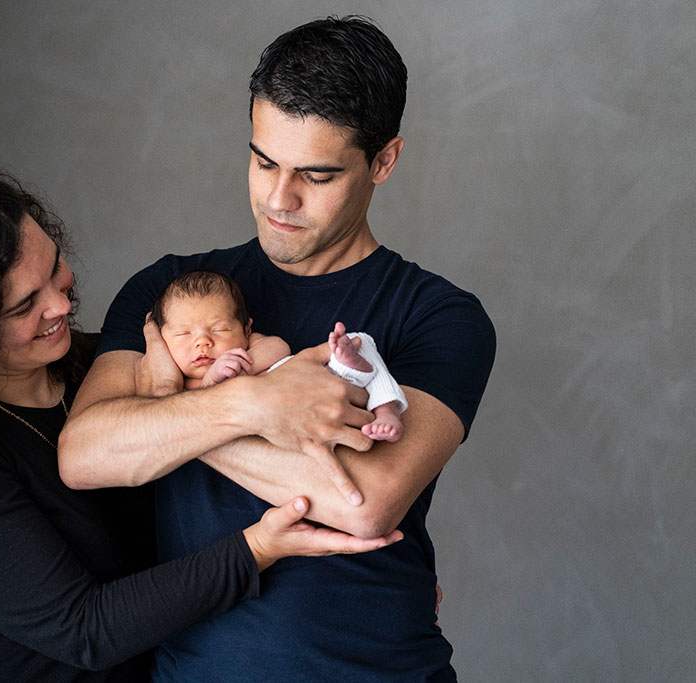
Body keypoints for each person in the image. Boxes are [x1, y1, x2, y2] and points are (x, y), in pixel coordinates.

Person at [59, 15, 496, 681]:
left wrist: (186, 406)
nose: (279, 198)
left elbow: (367, 502)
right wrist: (257, 405)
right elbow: (86, 451)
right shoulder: (172, 295)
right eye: (264, 161)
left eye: (315, 175)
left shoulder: (441, 316)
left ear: (384, 160)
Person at [0, 169, 401, 682]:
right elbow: (84, 629)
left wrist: (362, 595)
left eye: (54, 268)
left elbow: (203, 492)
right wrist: (256, 548)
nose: (61, 304)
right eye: (24, 305)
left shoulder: (101, 367)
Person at [150, 269, 407, 440]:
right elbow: (192, 414)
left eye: (220, 329)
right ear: (162, 339)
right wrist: (212, 382)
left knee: (357, 341)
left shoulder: (251, 345)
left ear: (247, 328)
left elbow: (279, 347)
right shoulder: (183, 386)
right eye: (183, 334)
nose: (202, 342)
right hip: (301, 417)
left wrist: (245, 368)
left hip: (324, 378)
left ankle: (386, 410)